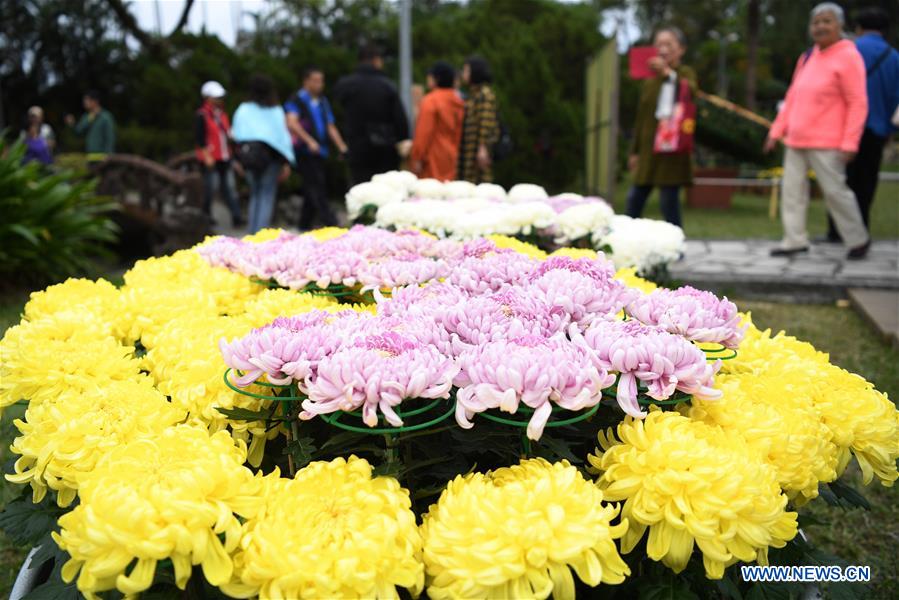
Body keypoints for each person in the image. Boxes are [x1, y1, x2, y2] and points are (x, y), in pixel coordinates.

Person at [764, 2, 870, 259]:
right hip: (796, 139)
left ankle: (857, 239)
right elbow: (792, 97)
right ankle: (794, 240)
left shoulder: (848, 55)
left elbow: (858, 102)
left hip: (828, 141)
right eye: (816, 22)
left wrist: (850, 142)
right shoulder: (808, 56)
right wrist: (776, 131)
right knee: (792, 192)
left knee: (835, 192)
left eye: (827, 21)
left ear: (840, 25)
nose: (820, 26)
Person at [823, 6, 899, 242]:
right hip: (876, 128)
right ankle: (860, 230)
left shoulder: (847, 50)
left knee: (839, 180)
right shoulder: (894, 57)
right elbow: (895, 97)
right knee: (866, 181)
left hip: (843, 127)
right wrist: (890, 130)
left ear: (858, 28)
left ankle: (836, 231)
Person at [625, 26, 696, 227]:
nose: (663, 49)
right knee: (634, 199)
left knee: (669, 202)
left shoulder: (685, 73)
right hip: (648, 150)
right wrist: (634, 151)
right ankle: (626, 240)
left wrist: (667, 73)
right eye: (659, 44)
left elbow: (690, 92)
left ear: (681, 49)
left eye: (669, 44)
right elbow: (641, 118)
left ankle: (676, 242)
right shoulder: (649, 81)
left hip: (672, 150)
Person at [333, 44, 410, 184]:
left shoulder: (345, 85)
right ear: (376, 60)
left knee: (360, 189)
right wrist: (402, 142)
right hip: (385, 151)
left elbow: (335, 115)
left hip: (356, 149)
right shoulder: (387, 86)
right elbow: (400, 121)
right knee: (385, 189)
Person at [285, 66, 348, 230]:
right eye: (315, 80)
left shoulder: (322, 101)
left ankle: (303, 225)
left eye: (321, 81)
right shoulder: (297, 100)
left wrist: (341, 146)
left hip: (321, 151)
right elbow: (291, 122)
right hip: (304, 151)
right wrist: (309, 141)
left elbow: (330, 126)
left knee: (311, 188)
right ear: (306, 81)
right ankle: (331, 223)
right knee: (317, 186)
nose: (319, 84)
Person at [231, 75, 295, 234]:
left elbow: (235, 135)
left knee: (255, 194)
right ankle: (260, 235)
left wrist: (236, 160)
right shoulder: (276, 111)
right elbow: (283, 138)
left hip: (249, 158)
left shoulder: (243, 109)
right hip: (271, 159)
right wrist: (286, 162)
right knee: (266, 195)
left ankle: (252, 233)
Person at [195, 81, 243, 227]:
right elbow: (199, 138)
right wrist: (206, 156)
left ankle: (237, 216)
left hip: (225, 157)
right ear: (207, 98)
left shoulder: (222, 114)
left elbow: (227, 135)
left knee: (229, 188)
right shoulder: (202, 115)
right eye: (216, 97)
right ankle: (206, 217)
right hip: (211, 158)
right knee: (211, 188)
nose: (219, 100)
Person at [410, 62, 465, 181]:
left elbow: (423, 133)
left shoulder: (430, 101)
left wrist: (417, 157)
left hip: (432, 158)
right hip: (451, 156)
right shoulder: (458, 101)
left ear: (437, 78)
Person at [459, 56, 499, 184]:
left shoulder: (484, 94)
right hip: (471, 148)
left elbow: (485, 123)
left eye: (466, 70)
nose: (463, 74)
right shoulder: (474, 94)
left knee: (480, 183)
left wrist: (483, 148)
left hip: (477, 149)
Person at [65, 90, 115, 160]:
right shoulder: (86, 116)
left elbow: (110, 137)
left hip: (103, 156)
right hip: (89, 155)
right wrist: (72, 124)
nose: (84, 102)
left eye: (87, 100)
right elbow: (79, 131)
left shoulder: (105, 117)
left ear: (95, 101)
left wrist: (108, 154)